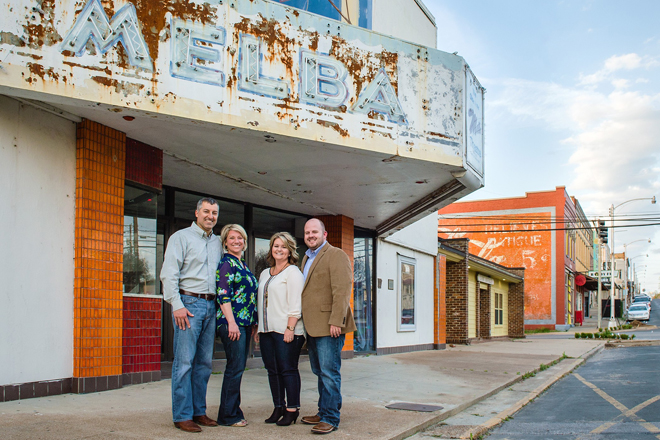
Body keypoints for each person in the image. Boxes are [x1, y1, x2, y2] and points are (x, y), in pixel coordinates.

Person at [160, 197, 222, 433]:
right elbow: (168, 274)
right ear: (196, 213)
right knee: (184, 362)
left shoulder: (217, 242)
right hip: (188, 304)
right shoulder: (181, 238)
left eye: (214, 213)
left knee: (204, 364)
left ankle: (198, 411)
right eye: (206, 211)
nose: (210, 216)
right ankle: (182, 415)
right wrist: (176, 304)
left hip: (211, 306)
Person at [299, 218, 356, 434]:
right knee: (320, 371)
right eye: (307, 233)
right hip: (313, 325)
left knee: (329, 373)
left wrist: (336, 321)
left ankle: (331, 417)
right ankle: (324, 411)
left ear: (325, 235)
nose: (310, 235)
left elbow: (342, 290)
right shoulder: (306, 258)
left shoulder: (336, 255)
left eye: (314, 232)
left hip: (329, 325)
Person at [256, 232, 305, 426]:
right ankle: (278, 407)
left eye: (283, 246)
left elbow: (296, 303)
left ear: (290, 250)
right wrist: (260, 328)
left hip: (287, 329)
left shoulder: (293, 272)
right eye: (276, 245)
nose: (279, 249)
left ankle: (292, 410)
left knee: (288, 370)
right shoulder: (265, 273)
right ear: (271, 249)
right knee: (272, 370)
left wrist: (290, 328)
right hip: (267, 331)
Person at [215, 224, 258, 427]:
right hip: (232, 324)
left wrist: (254, 323)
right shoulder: (227, 264)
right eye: (232, 238)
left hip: (245, 324)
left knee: (238, 367)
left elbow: (250, 298)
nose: (236, 241)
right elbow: (223, 295)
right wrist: (231, 322)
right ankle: (227, 415)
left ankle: (233, 410)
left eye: (240, 238)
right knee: (235, 368)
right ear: (225, 242)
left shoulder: (242, 265)